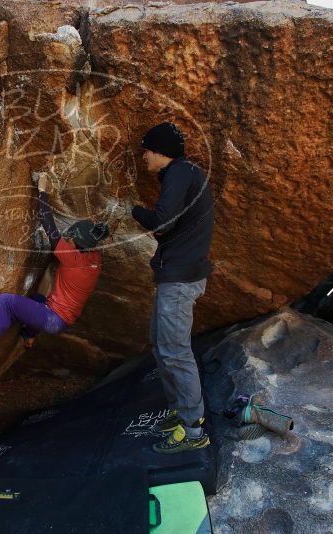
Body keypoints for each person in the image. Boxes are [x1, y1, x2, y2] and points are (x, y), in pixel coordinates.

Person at [0, 174, 109, 369]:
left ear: (76, 244)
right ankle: (29, 336)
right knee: (37, 299)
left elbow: (49, 226)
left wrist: (42, 193)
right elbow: (91, 238)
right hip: (63, 321)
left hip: (52, 318)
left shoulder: (72, 258)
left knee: (6, 302)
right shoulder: (95, 259)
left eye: (69, 238)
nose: (65, 239)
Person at [130, 122, 214, 454]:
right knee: (160, 344)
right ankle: (181, 412)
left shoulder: (180, 173)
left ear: (160, 151)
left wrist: (131, 209)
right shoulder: (182, 175)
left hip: (180, 280)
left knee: (175, 351)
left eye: (146, 151)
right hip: (176, 274)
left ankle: (194, 432)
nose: (144, 158)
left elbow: (162, 221)